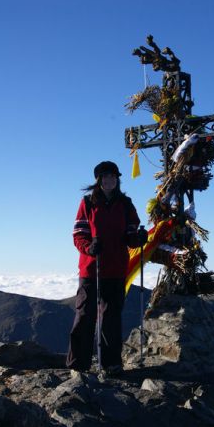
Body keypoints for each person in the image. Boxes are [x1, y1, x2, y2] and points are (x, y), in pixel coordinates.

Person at [66, 161, 148, 376]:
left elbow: (131, 234)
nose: (109, 180)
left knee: (111, 318)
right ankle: (77, 365)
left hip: (116, 268)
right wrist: (89, 247)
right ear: (99, 180)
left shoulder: (125, 203)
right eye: (105, 177)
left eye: (113, 176)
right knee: (85, 316)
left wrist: (138, 238)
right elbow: (79, 234)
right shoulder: (87, 203)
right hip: (92, 269)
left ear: (117, 179)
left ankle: (111, 364)